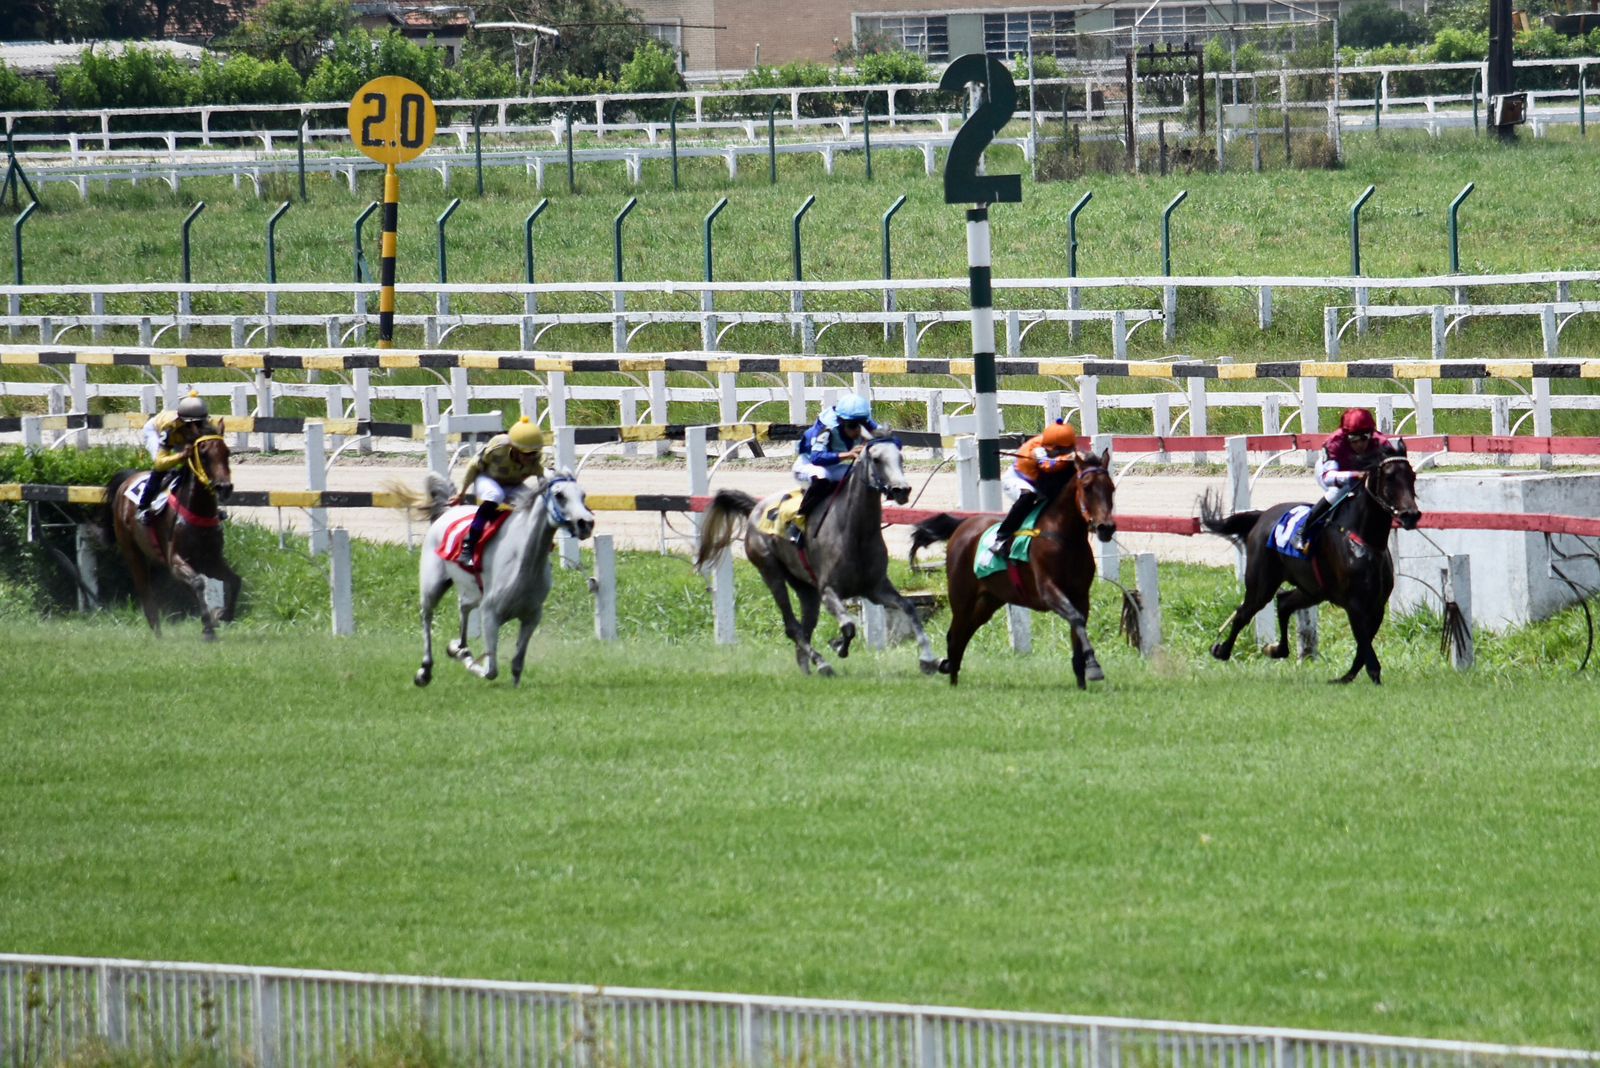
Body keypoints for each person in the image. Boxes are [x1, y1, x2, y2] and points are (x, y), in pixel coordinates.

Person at [451, 416, 546, 567]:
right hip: (488, 479)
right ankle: (468, 546)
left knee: (534, 503)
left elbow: (544, 481)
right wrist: (461, 493)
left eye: (534, 453)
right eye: (526, 454)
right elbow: (473, 466)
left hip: (514, 485)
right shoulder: (498, 447)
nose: (530, 458)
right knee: (495, 495)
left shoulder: (537, 458)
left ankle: (535, 549)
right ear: (514, 448)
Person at [1295, 406, 1390, 552]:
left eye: (1364, 437)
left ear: (1371, 434)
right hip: (1333, 472)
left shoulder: (1381, 441)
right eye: (1353, 439)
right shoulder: (1334, 443)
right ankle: (1303, 529)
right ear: (1346, 436)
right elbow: (1328, 477)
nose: (1360, 444)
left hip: (1364, 470)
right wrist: (1354, 475)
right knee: (1340, 491)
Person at [788, 394, 877, 544]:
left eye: (862, 425)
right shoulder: (827, 427)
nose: (858, 430)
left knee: (864, 476)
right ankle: (798, 522)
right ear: (841, 421)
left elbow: (890, 440)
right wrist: (848, 454)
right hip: (808, 466)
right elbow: (817, 458)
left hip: (835, 467)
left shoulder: (863, 421)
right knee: (822, 476)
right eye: (852, 426)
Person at [985, 420, 1078, 563]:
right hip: (1020, 480)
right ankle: (1001, 538)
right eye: (1061, 451)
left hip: (1041, 484)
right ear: (1052, 447)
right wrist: (1066, 457)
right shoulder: (1037, 450)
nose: (1066, 453)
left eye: (1068, 450)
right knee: (1027, 497)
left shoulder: (1060, 446)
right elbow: (1048, 465)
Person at [137, 392, 211, 524]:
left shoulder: (208, 424)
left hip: (181, 436)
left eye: (200, 423)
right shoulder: (170, 427)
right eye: (192, 424)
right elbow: (160, 463)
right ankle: (143, 507)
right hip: (155, 430)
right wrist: (181, 456)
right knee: (161, 470)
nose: (196, 428)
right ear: (183, 421)